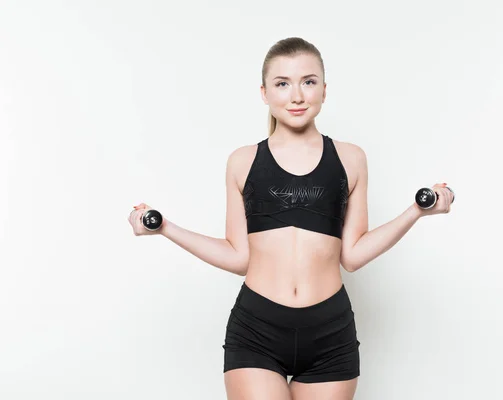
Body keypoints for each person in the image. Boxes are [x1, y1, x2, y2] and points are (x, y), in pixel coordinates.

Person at [128, 37, 453, 400]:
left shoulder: (350, 159)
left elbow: (354, 255)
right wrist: (165, 229)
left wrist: (418, 212)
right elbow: (238, 257)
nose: (297, 96)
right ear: (264, 92)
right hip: (257, 330)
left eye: (308, 82)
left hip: (330, 333)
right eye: (282, 84)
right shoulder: (242, 161)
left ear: (324, 90)